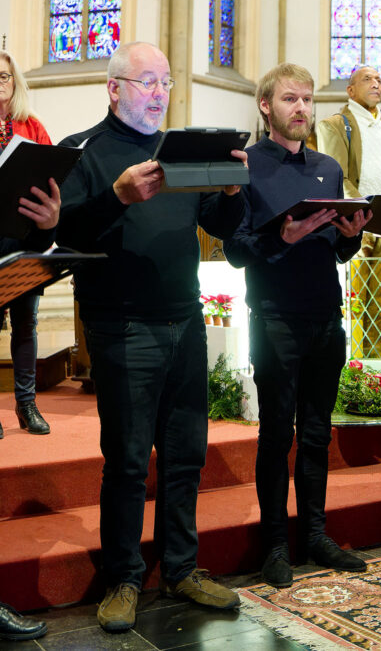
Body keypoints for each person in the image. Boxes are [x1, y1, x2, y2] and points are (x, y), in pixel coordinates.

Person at [57, 41, 245, 631]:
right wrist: (116, 197)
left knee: (186, 456)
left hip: (184, 318)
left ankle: (182, 569)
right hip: (121, 323)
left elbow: (219, 224)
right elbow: (64, 234)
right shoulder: (82, 151)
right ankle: (124, 577)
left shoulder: (176, 152)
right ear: (114, 88)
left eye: (166, 82)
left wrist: (232, 192)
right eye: (147, 82)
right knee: (129, 462)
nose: (160, 93)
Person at [223, 63, 369, 588]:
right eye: (290, 98)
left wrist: (351, 235)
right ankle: (276, 546)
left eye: (307, 99)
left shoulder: (327, 166)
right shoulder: (247, 165)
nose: (302, 107)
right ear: (266, 106)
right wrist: (280, 239)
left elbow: (337, 250)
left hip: (326, 317)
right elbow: (235, 249)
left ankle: (315, 535)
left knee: (316, 433)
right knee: (275, 434)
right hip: (275, 318)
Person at [317, 65, 381, 359]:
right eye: (367, 79)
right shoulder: (334, 125)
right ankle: (354, 363)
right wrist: (368, 216)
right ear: (350, 90)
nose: (376, 83)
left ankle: (377, 362)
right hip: (355, 225)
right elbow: (338, 177)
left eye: (378, 79)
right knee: (356, 298)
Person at [0, 50, 56, 436]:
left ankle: (26, 404)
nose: (0, 83)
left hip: (24, 238)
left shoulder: (32, 126)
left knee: (26, 323)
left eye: (4, 76)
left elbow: (52, 177)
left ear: (15, 82)